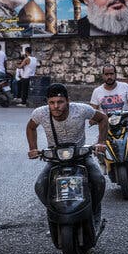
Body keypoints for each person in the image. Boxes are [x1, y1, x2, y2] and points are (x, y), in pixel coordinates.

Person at [26, 83, 108, 226]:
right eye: (51, 103)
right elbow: (31, 127)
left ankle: (94, 212)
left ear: (67, 100)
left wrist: (101, 142)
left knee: (98, 180)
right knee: (40, 185)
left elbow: (103, 118)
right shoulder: (40, 113)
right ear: (47, 102)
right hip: (55, 158)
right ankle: (54, 215)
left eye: (60, 102)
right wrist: (33, 148)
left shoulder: (82, 110)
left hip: (81, 155)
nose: (56, 106)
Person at [90, 64, 128, 169]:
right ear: (103, 76)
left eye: (111, 74)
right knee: (96, 146)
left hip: (125, 123)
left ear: (115, 74)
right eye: (106, 74)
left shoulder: (124, 87)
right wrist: (92, 119)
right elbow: (93, 110)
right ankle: (103, 163)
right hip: (106, 126)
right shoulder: (97, 91)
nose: (109, 77)